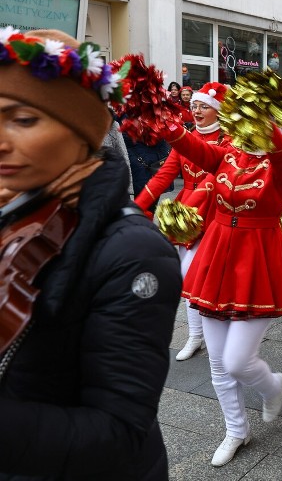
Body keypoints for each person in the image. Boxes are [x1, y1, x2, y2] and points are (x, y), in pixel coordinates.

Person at [0, 28, 181, 478]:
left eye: (23, 120)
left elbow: (118, 431)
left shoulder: (133, 251)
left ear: (81, 134)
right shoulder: (14, 211)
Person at [158, 89, 282, 467]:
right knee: (219, 364)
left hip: (258, 259)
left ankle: (272, 386)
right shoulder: (226, 155)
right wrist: (163, 120)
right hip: (216, 253)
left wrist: (262, 116)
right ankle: (236, 430)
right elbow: (192, 147)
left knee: (239, 361)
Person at [134, 82, 232, 362]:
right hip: (185, 213)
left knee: (193, 274)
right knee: (183, 275)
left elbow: (216, 179)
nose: (197, 110)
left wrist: (192, 210)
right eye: (195, 106)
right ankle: (197, 334)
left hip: (214, 211)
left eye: (203, 106)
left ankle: (206, 331)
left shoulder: (229, 143)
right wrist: (136, 207)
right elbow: (163, 176)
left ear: (218, 111)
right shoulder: (184, 139)